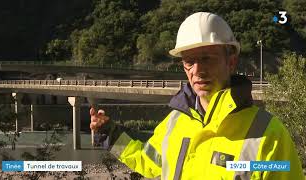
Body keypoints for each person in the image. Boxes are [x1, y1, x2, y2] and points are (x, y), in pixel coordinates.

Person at [90, 12, 304, 180]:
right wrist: (109, 134)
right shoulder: (175, 122)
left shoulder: (268, 133)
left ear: (231, 61)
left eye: (207, 58)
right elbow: (148, 159)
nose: (197, 70)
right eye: (189, 61)